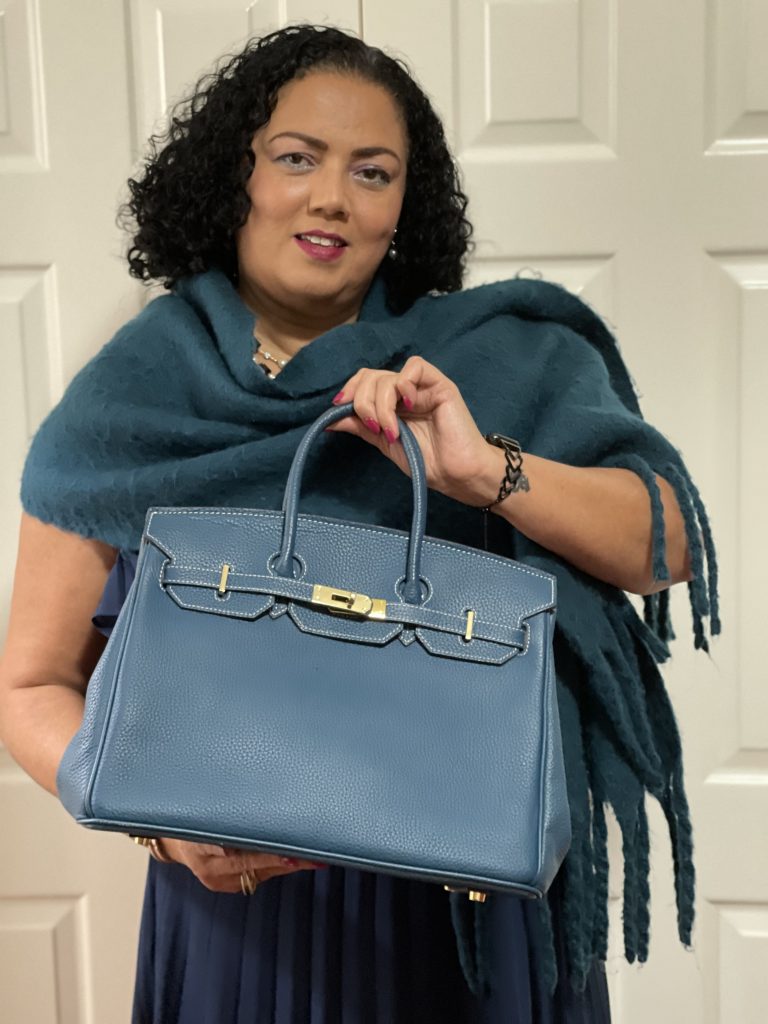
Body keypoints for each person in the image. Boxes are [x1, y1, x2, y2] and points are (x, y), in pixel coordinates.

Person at [0, 23, 718, 1024]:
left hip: (476, 914)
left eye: (372, 172)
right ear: (236, 177)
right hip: (245, 917)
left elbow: (669, 544)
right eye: (297, 158)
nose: (332, 196)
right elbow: (31, 684)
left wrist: (482, 470)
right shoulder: (132, 401)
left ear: (403, 206)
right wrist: (162, 831)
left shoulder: (499, 361)